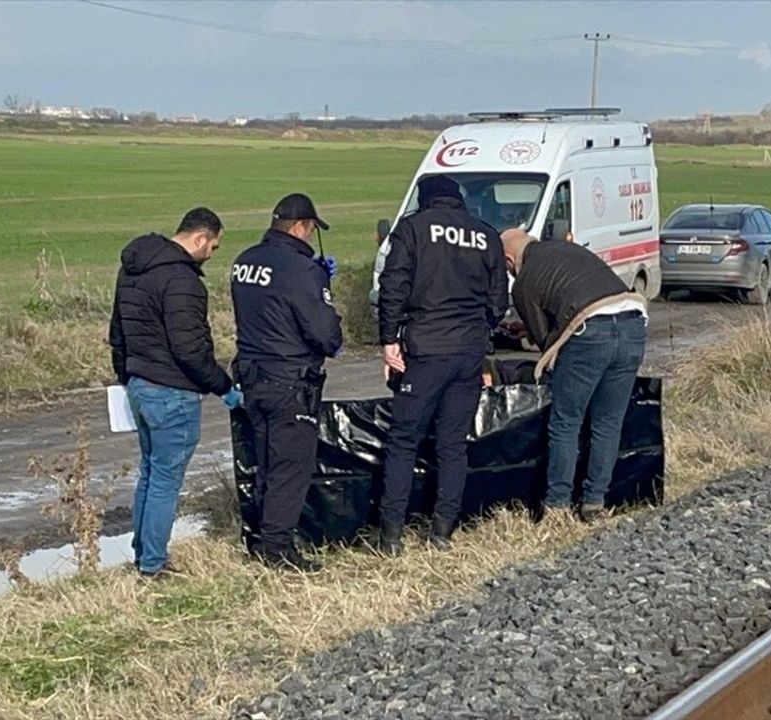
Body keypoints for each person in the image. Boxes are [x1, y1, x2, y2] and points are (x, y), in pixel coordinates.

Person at [375, 175, 508, 555]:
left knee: (403, 440)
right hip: (469, 353)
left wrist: (389, 340)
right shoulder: (485, 234)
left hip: (426, 350)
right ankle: (442, 534)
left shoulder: (412, 229)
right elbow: (498, 300)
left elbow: (393, 286)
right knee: (452, 445)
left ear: (425, 200)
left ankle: (391, 537)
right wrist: (481, 332)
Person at [108, 207, 241, 579]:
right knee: (166, 479)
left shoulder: (132, 268)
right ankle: (153, 565)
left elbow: (117, 331)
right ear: (200, 238)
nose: (211, 255)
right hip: (173, 393)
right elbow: (191, 350)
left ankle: (142, 554)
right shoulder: (182, 281)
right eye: (213, 247)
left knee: (150, 474)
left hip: (138, 385)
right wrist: (224, 388)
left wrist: (128, 376)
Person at [500, 229, 647, 523]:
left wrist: (528, 332)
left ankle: (557, 505)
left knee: (566, 421)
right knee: (608, 421)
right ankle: (594, 502)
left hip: (589, 331)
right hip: (633, 321)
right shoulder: (567, 250)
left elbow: (547, 343)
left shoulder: (524, 282)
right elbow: (572, 296)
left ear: (509, 259)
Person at [230, 193, 342, 572]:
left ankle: (261, 538)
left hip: (251, 376)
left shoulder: (243, 262)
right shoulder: (302, 271)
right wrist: (324, 293)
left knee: (264, 462)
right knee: (289, 468)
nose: (311, 237)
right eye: (310, 229)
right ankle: (277, 550)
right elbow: (326, 336)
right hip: (289, 381)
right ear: (298, 227)